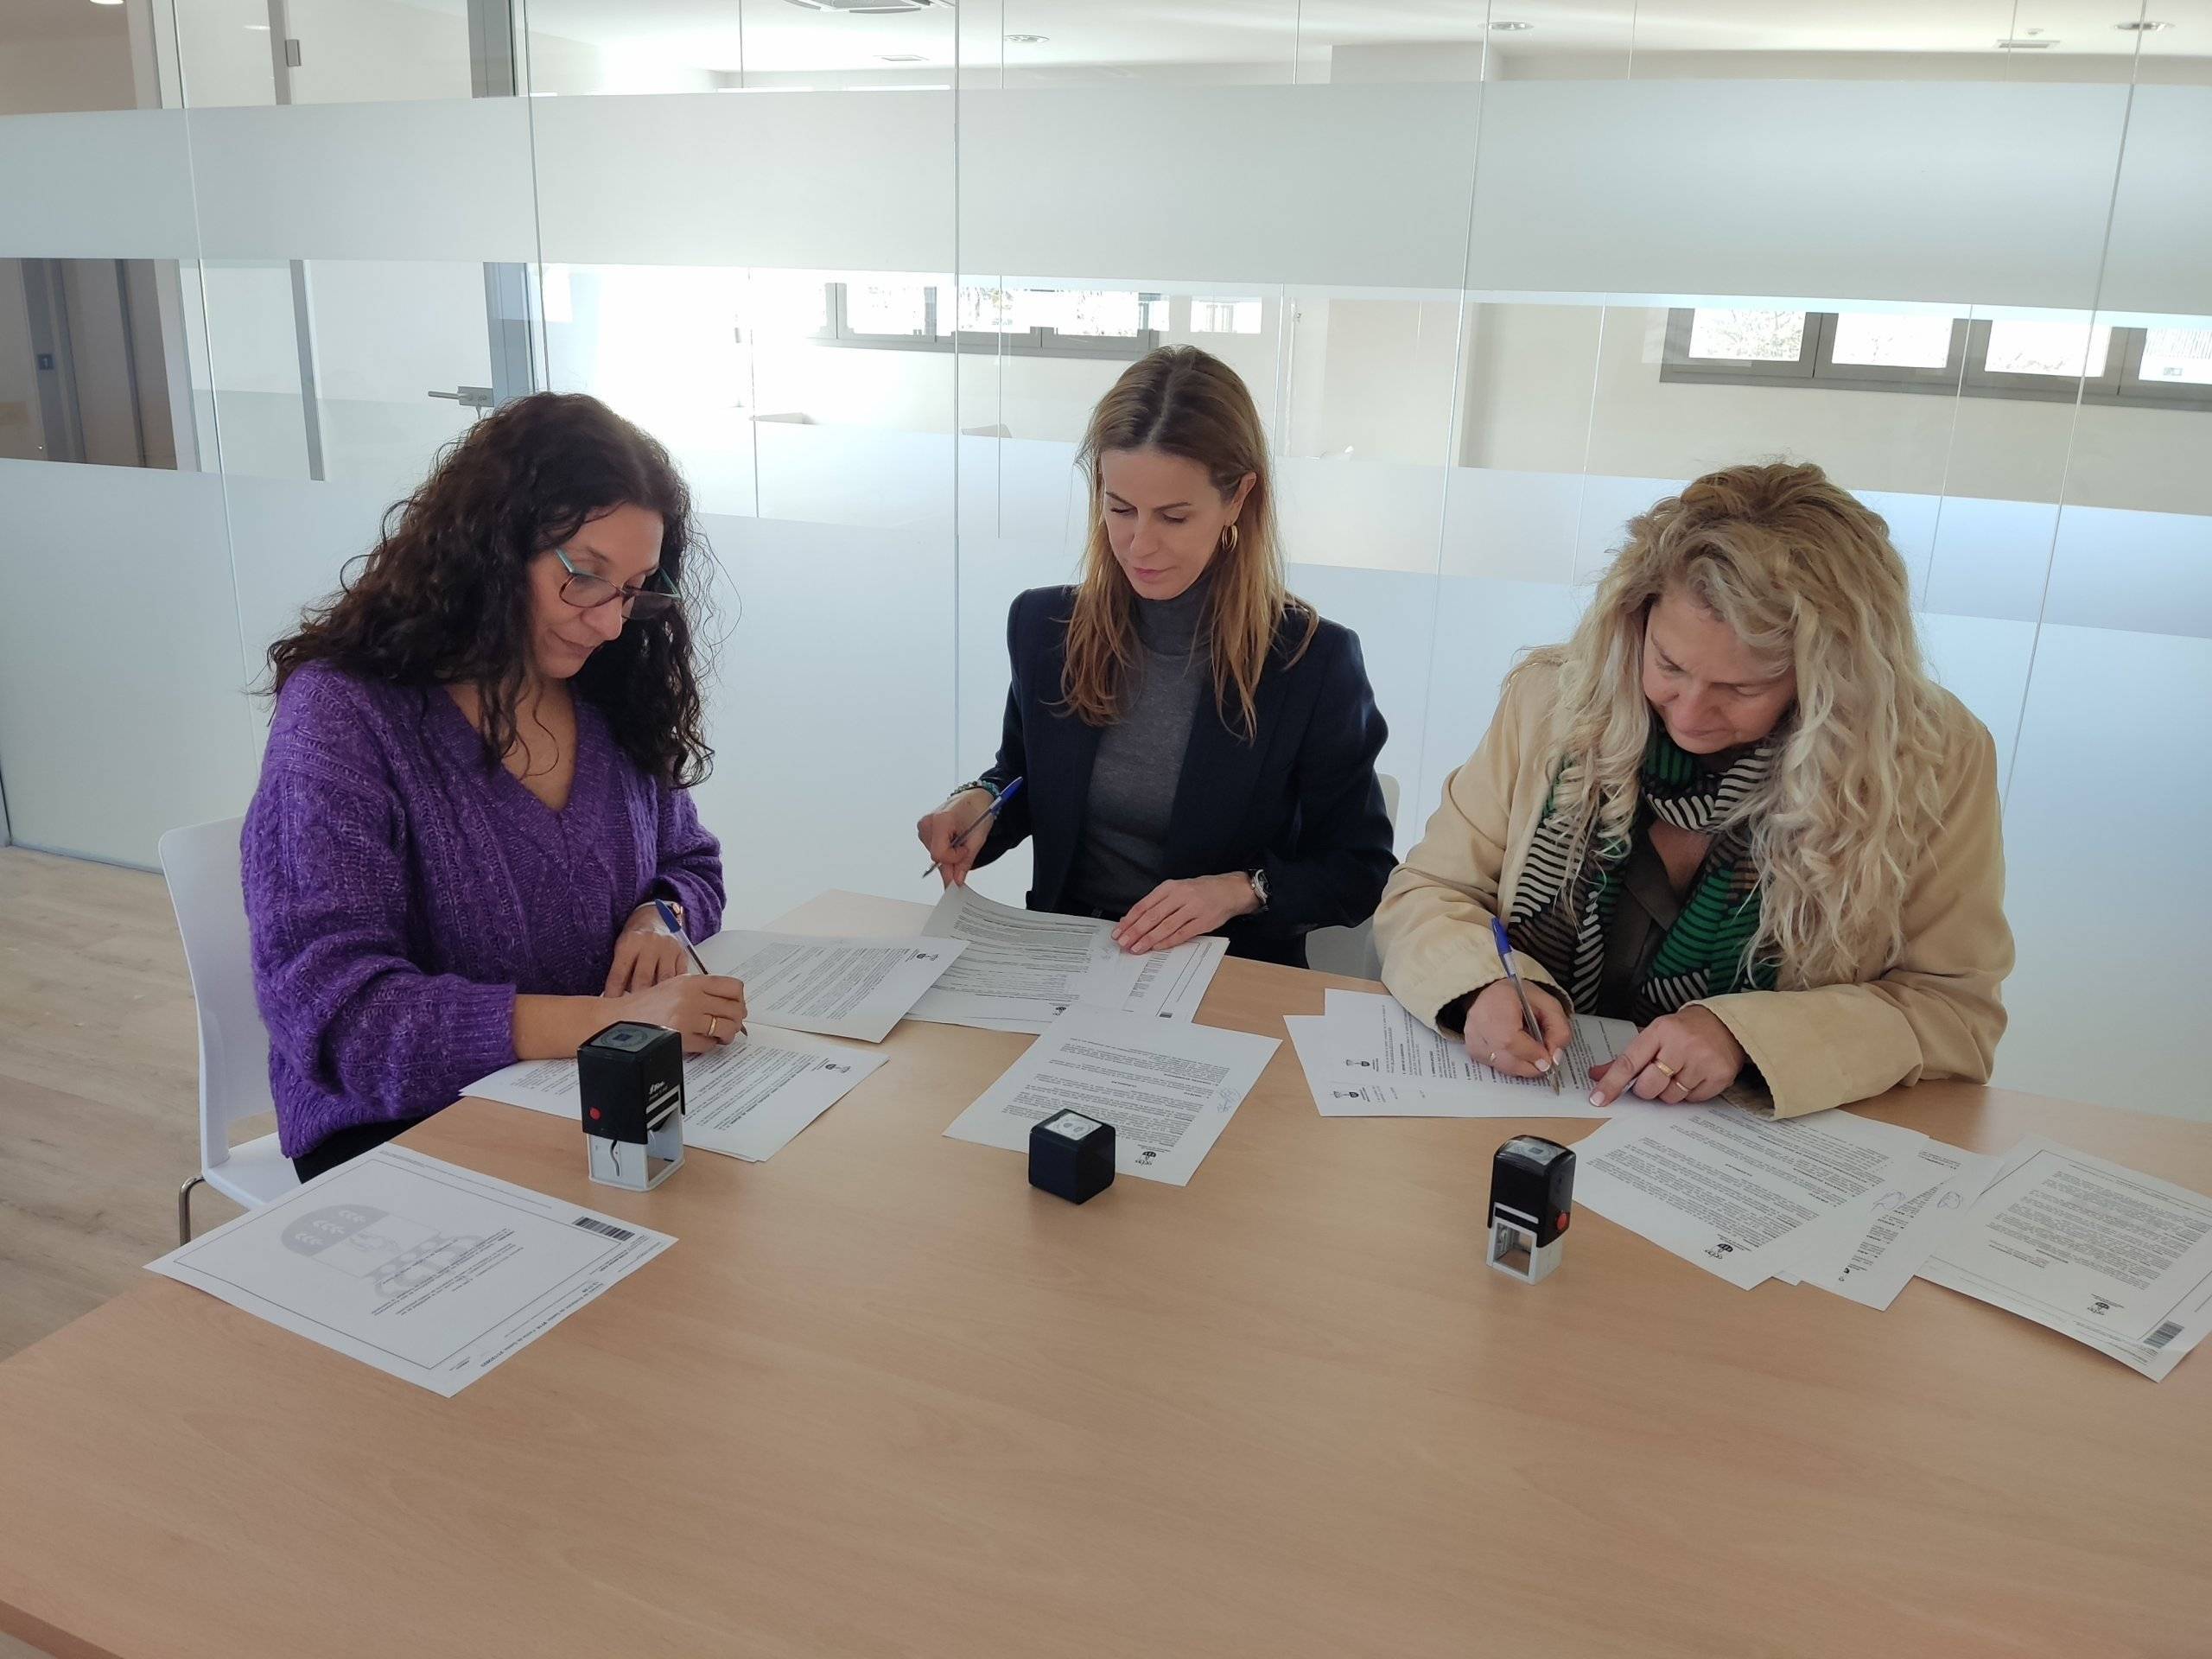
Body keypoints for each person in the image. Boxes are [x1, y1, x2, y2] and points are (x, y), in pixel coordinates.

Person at [1376, 461, 2012, 1118]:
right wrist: (1481, 983)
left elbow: (1954, 1012)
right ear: (1635, 621)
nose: (1687, 715)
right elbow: (1429, 892)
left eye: (1741, 689)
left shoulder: (1929, 760)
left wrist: (1745, 1037)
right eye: (1669, 665)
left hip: (1754, 1155)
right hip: (1533, 1107)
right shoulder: (1552, 704)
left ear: (1831, 684)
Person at [244, 392, 747, 1179]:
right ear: (488, 548)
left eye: (636, 587)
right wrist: (609, 1022)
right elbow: (341, 1018)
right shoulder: (346, 713)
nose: (612, 622)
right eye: (585, 577)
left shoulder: (609, 690)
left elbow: (691, 865)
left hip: (578, 1090)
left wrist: (659, 917)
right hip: (398, 1127)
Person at [916, 346, 1394, 967]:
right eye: (1120, 509)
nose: (1140, 544)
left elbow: (1361, 868)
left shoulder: (1310, 662)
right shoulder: (1045, 627)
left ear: (1238, 498)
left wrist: (1242, 890)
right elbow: (1025, 778)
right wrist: (977, 804)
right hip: (1064, 962)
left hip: (1226, 974)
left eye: (1173, 516)